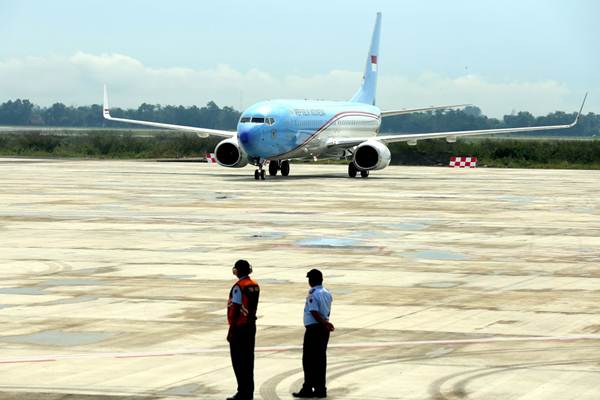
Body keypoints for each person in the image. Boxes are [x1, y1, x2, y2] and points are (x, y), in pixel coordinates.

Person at [293, 269, 334, 398]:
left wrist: (323, 323)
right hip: (323, 330)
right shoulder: (327, 293)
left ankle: (308, 388)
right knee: (320, 360)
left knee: (309, 360)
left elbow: (314, 311)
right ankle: (320, 389)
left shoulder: (313, 293)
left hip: (314, 329)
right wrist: (326, 323)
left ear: (311, 280)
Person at [227, 259, 260, 400]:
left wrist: (231, 329)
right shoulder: (254, 285)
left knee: (238, 361)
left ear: (238, 270)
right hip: (251, 325)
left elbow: (235, 308)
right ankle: (248, 392)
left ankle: (242, 392)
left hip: (240, 327)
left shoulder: (239, 286)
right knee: (248, 360)